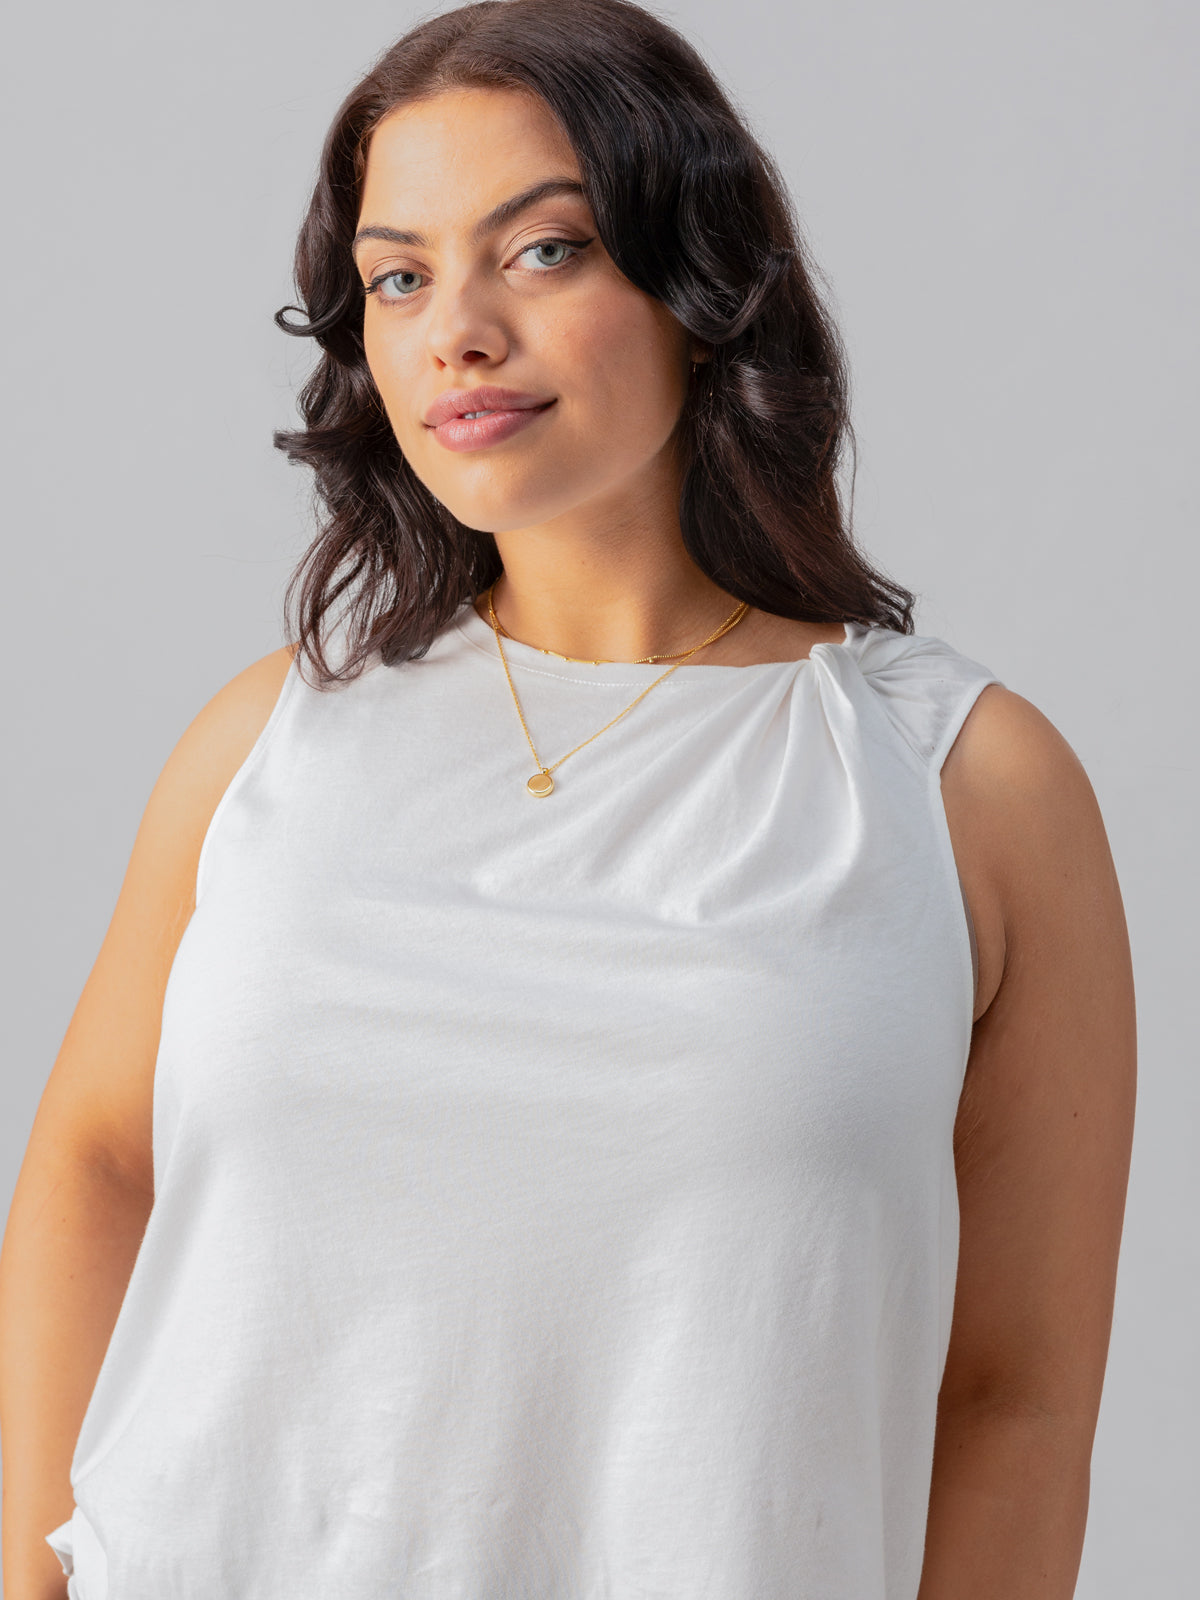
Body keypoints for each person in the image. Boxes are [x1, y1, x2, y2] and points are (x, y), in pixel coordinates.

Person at [0, 1, 1136, 1596]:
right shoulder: (267, 746)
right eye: (400, 276)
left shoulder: (963, 786)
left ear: (699, 282)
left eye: (541, 251)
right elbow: (96, 1168)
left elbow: (1016, 1394)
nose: (455, 329)